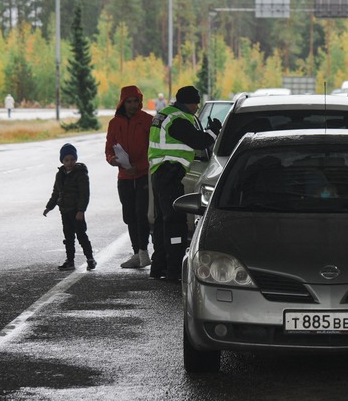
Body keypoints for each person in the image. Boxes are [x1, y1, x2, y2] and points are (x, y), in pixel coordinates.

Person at [148, 85, 220, 281]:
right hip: (169, 173)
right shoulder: (177, 119)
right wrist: (214, 131)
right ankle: (173, 271)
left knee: (164, 221)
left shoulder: (166, 114)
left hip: (161, 172)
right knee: (175, 222)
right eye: (196, 103)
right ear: (189, 103)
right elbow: (198, 142)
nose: (197, 107)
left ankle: (159, 267)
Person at [105, 85, 155, 269]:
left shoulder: (148, 121)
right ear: (122, 103)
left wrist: (140, 166)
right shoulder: (114, 123)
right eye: (129, 102)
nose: (133, 105)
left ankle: (144, 250)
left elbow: (154, 149)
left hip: (143, 174)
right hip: (124, 176)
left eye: (136, 101)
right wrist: (113, 160)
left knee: (142, 213)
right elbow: (109, 148)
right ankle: (137, 253)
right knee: (129, 215)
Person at [43, 142, 96, 271]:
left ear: (76, 159)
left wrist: (81, 210)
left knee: (81, 235)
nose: (69, 162)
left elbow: (85, 194)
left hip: (76, 211)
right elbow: (56, 192)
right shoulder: (60, 174)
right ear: (62, 161)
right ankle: (70, 261)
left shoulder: (81, 174)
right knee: (68, 237)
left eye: (72, 159)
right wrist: (49, 206)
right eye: (66, 160)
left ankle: (90, 258)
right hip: (64, 210)